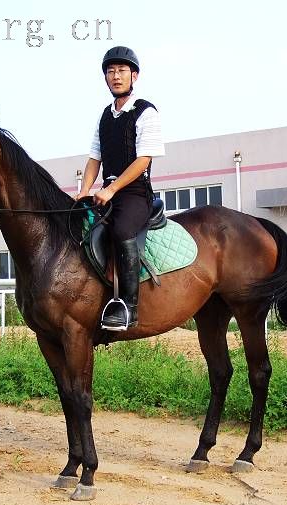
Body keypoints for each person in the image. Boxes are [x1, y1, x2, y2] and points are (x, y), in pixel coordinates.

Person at [76, 46, 165, 331]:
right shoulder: (104, 115)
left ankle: (129, 307)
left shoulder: (145, 112)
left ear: (134, 76)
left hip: (135, 193)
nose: (115, 76)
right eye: (110, 72)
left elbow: (143, 160)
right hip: (106, 191)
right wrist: (84, 190)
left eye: (122, 71)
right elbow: (94, 157)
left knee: (121, 230)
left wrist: (112, 190)